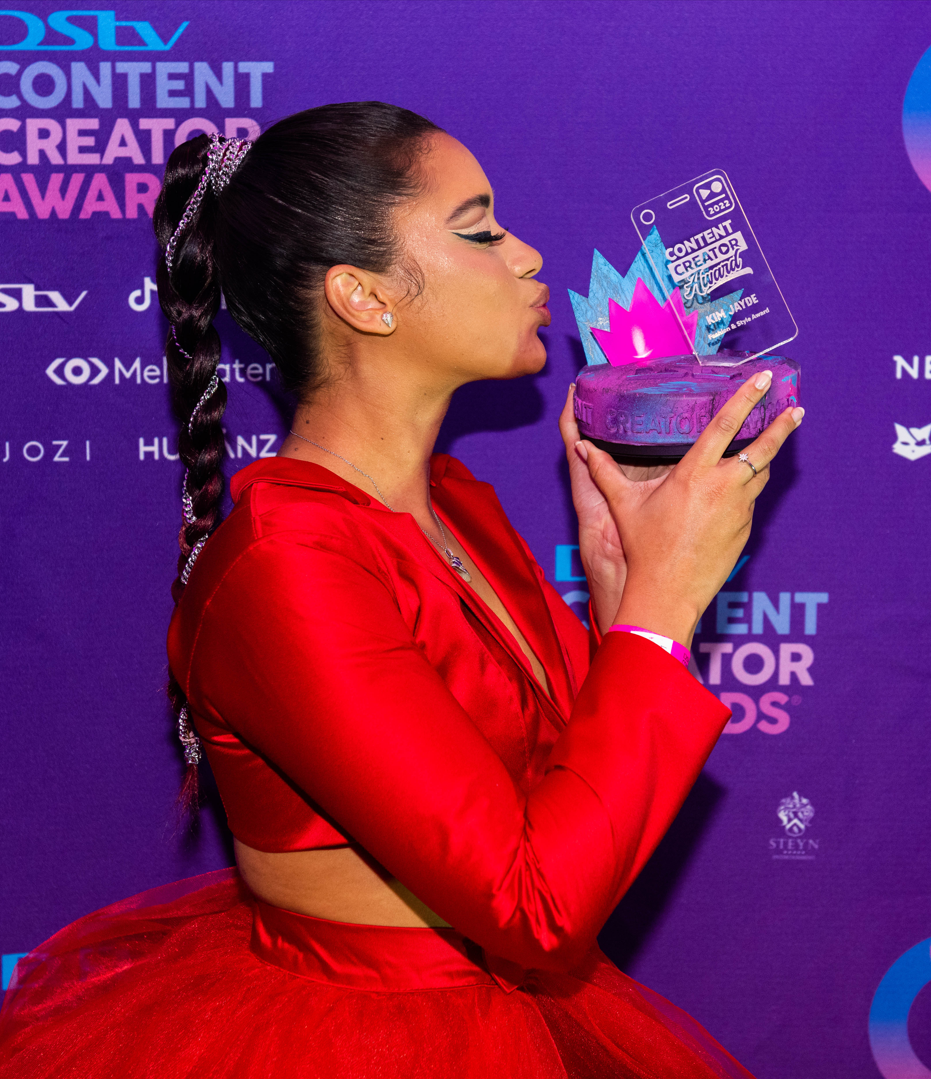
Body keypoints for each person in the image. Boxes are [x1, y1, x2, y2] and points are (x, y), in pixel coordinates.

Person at [0, 102, 802, 1078]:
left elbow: (567, 819)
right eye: (479, 230)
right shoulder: (285, 562)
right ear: (364, 296)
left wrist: (621, 584)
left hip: (513, 1011)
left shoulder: (455, 503)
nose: (527, 256)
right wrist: (661, 610)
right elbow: (536, 904)